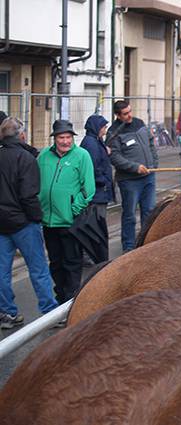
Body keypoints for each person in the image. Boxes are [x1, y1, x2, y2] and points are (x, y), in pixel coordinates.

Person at [0, 117, 59, 328]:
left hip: (2, 224)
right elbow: (28, 195)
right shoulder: (25, 158)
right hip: (24, 222)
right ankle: (49, 312)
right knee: (38, 269)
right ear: (21, 134)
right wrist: (37, 217)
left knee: (2, 271)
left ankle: (7, 312)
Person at [38, 120, 95, 304]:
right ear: (54, 139)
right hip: (48, 221)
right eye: (61, 137)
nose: (65, 141)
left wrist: (73, 209)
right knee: (55, 263)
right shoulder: (44, 156)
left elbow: (89, 189)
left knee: (72, 263)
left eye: (68, 137)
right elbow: (36, 182)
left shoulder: (82, 155)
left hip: (70, 221)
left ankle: (71, 302)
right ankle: (60, 298)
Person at [107, 100, 159, 253]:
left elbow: (150, 142)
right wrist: (135, 168)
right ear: (117, 115)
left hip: (148, 177)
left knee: (149, 212)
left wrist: (154, 163)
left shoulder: (140, 123)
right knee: (129, 214)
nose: (129, 115)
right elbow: (114, 157)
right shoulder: (113, 132)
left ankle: (146, 243)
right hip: (129, 181)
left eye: (130, 111)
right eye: (125, 114)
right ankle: (129, 246)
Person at [80, 114, 112, 260]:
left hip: (99, 191)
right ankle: (90, 256)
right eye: (104, 127)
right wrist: (104, 181)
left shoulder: (95, 141)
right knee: (94, 225)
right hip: (97, 193)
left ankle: (90, 255)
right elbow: (93, 168)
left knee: (94, 224)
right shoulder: (91, 144)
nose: (105, 130)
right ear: (96, 128)